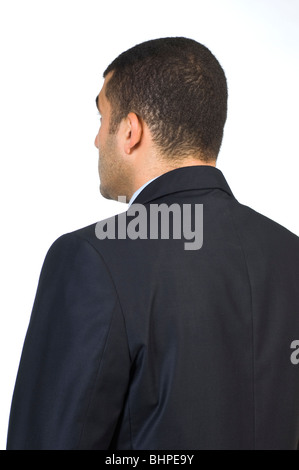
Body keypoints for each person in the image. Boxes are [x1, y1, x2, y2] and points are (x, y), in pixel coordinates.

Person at [6, 37, 299, 450]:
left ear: (130, 130)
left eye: (102, 117)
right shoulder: (291, 254)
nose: (95, 139)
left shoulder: (91, 258)